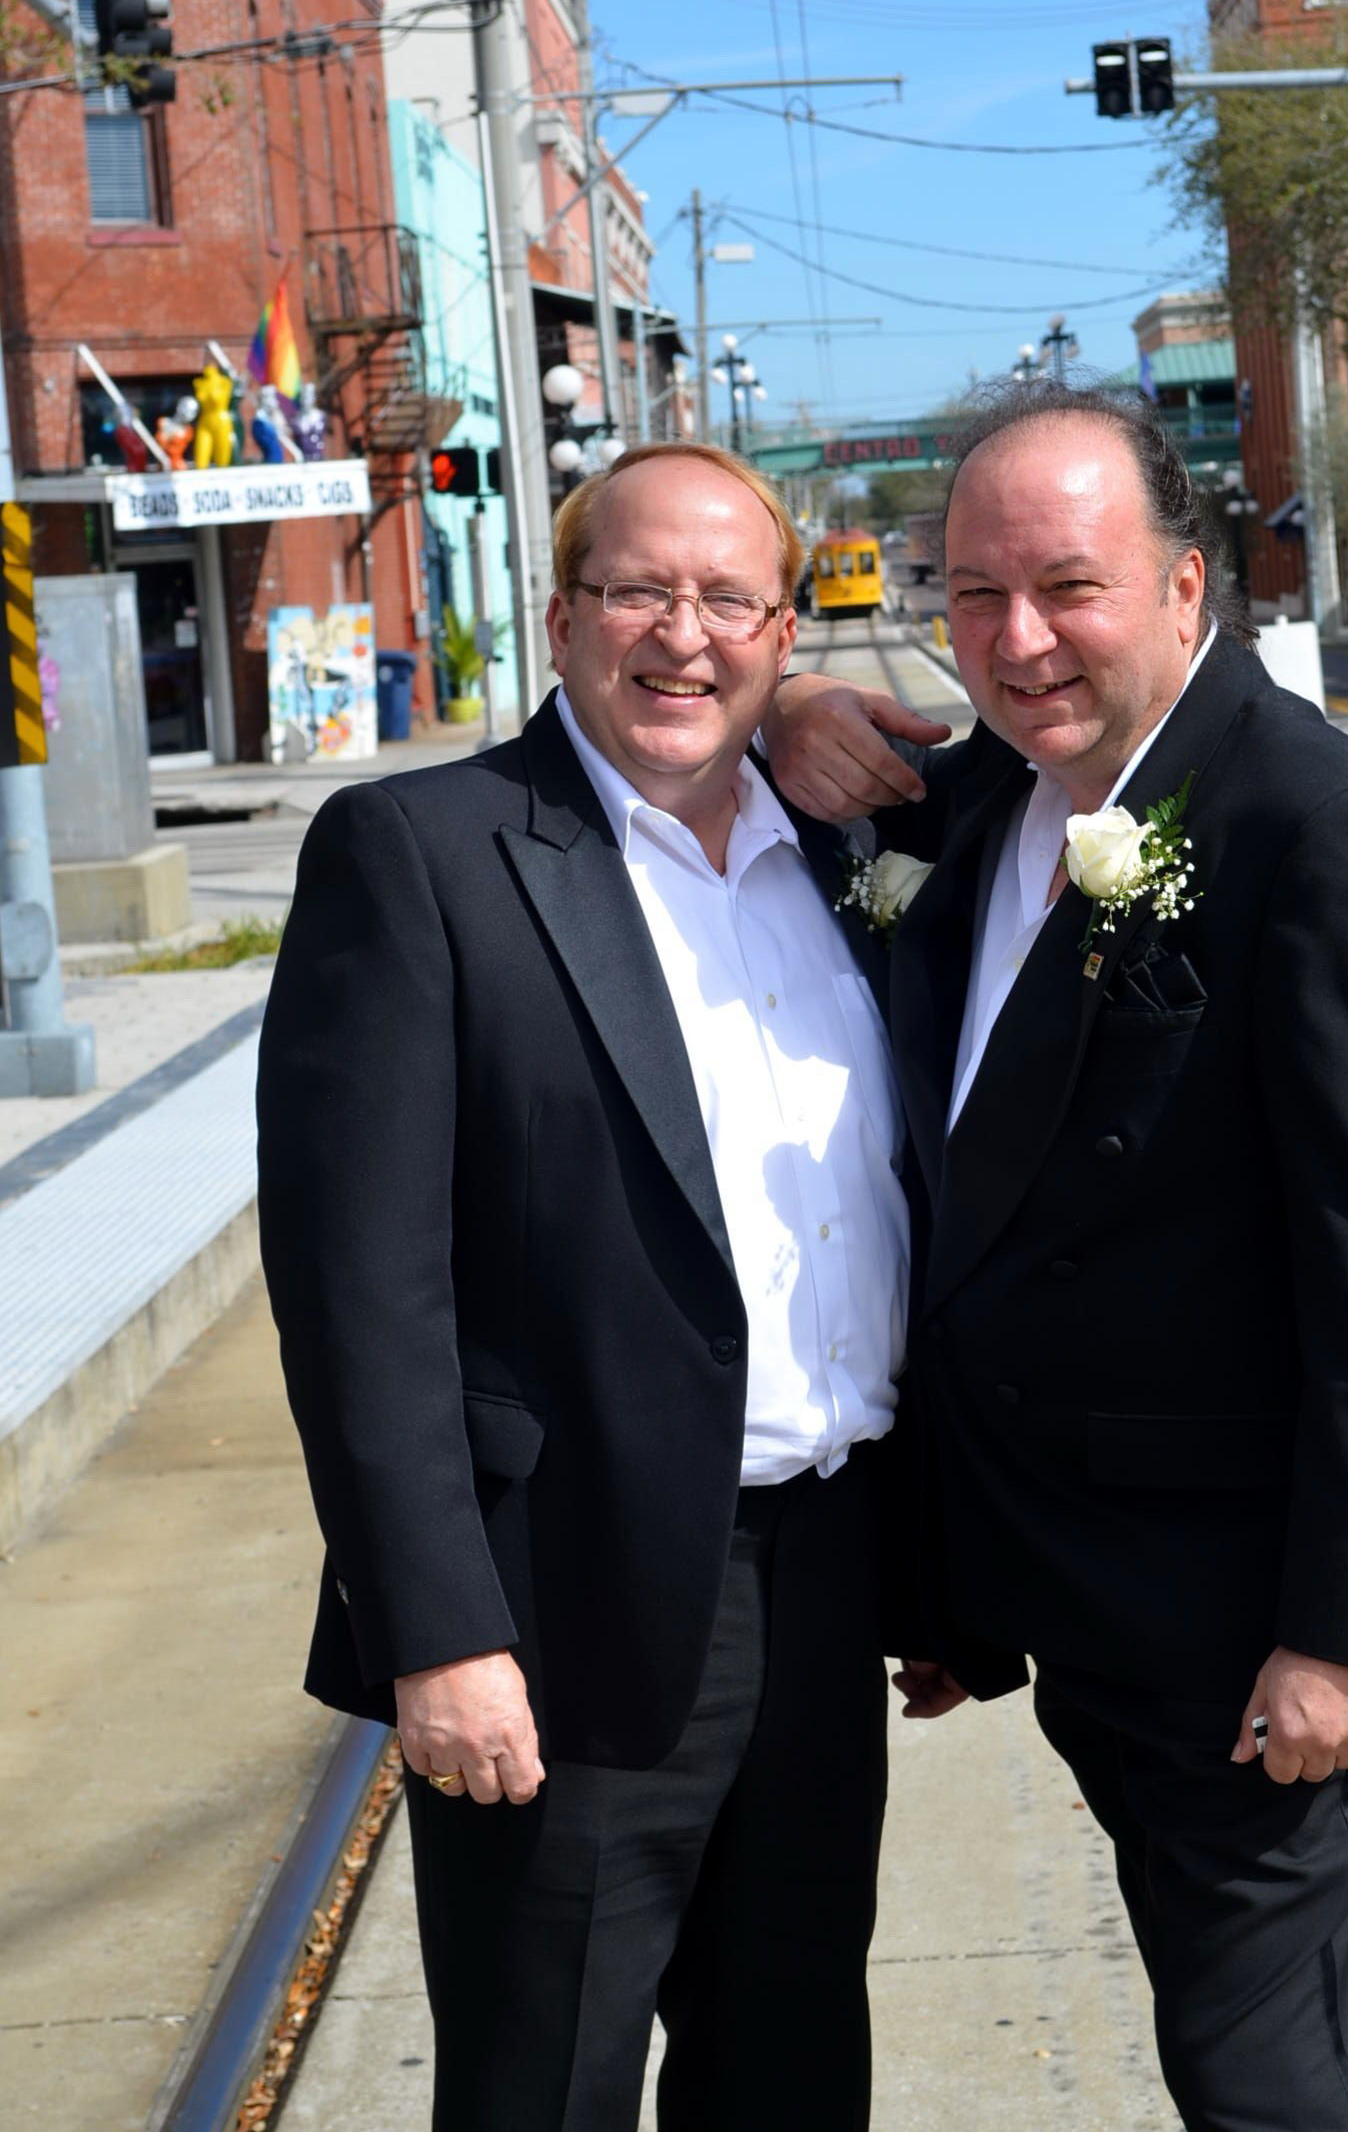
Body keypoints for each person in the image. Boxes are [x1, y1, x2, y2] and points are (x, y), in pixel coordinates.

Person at [765, 381, 1348, 2131]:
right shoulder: (972, 809)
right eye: (975, 594)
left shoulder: (1316, 828)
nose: (1018, 640)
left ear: (1187, 587)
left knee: (1278, 2089)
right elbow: (974, 1218)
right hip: (1080, 1607)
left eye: (1070, 588)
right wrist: (784, 704)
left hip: (1251, 1641)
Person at [258, 441, 940, 2132]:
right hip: (558, 1608)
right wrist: (439, 1634)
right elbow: (358, 1296)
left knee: (791, 2072)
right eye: (640, 591)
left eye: (730, 603)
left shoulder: (851, 855)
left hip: (828, 1579)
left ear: (786, 637)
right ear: (562, 616)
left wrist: (945, 1569)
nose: (683, 636)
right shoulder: (421, 854)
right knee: (541, 2087)